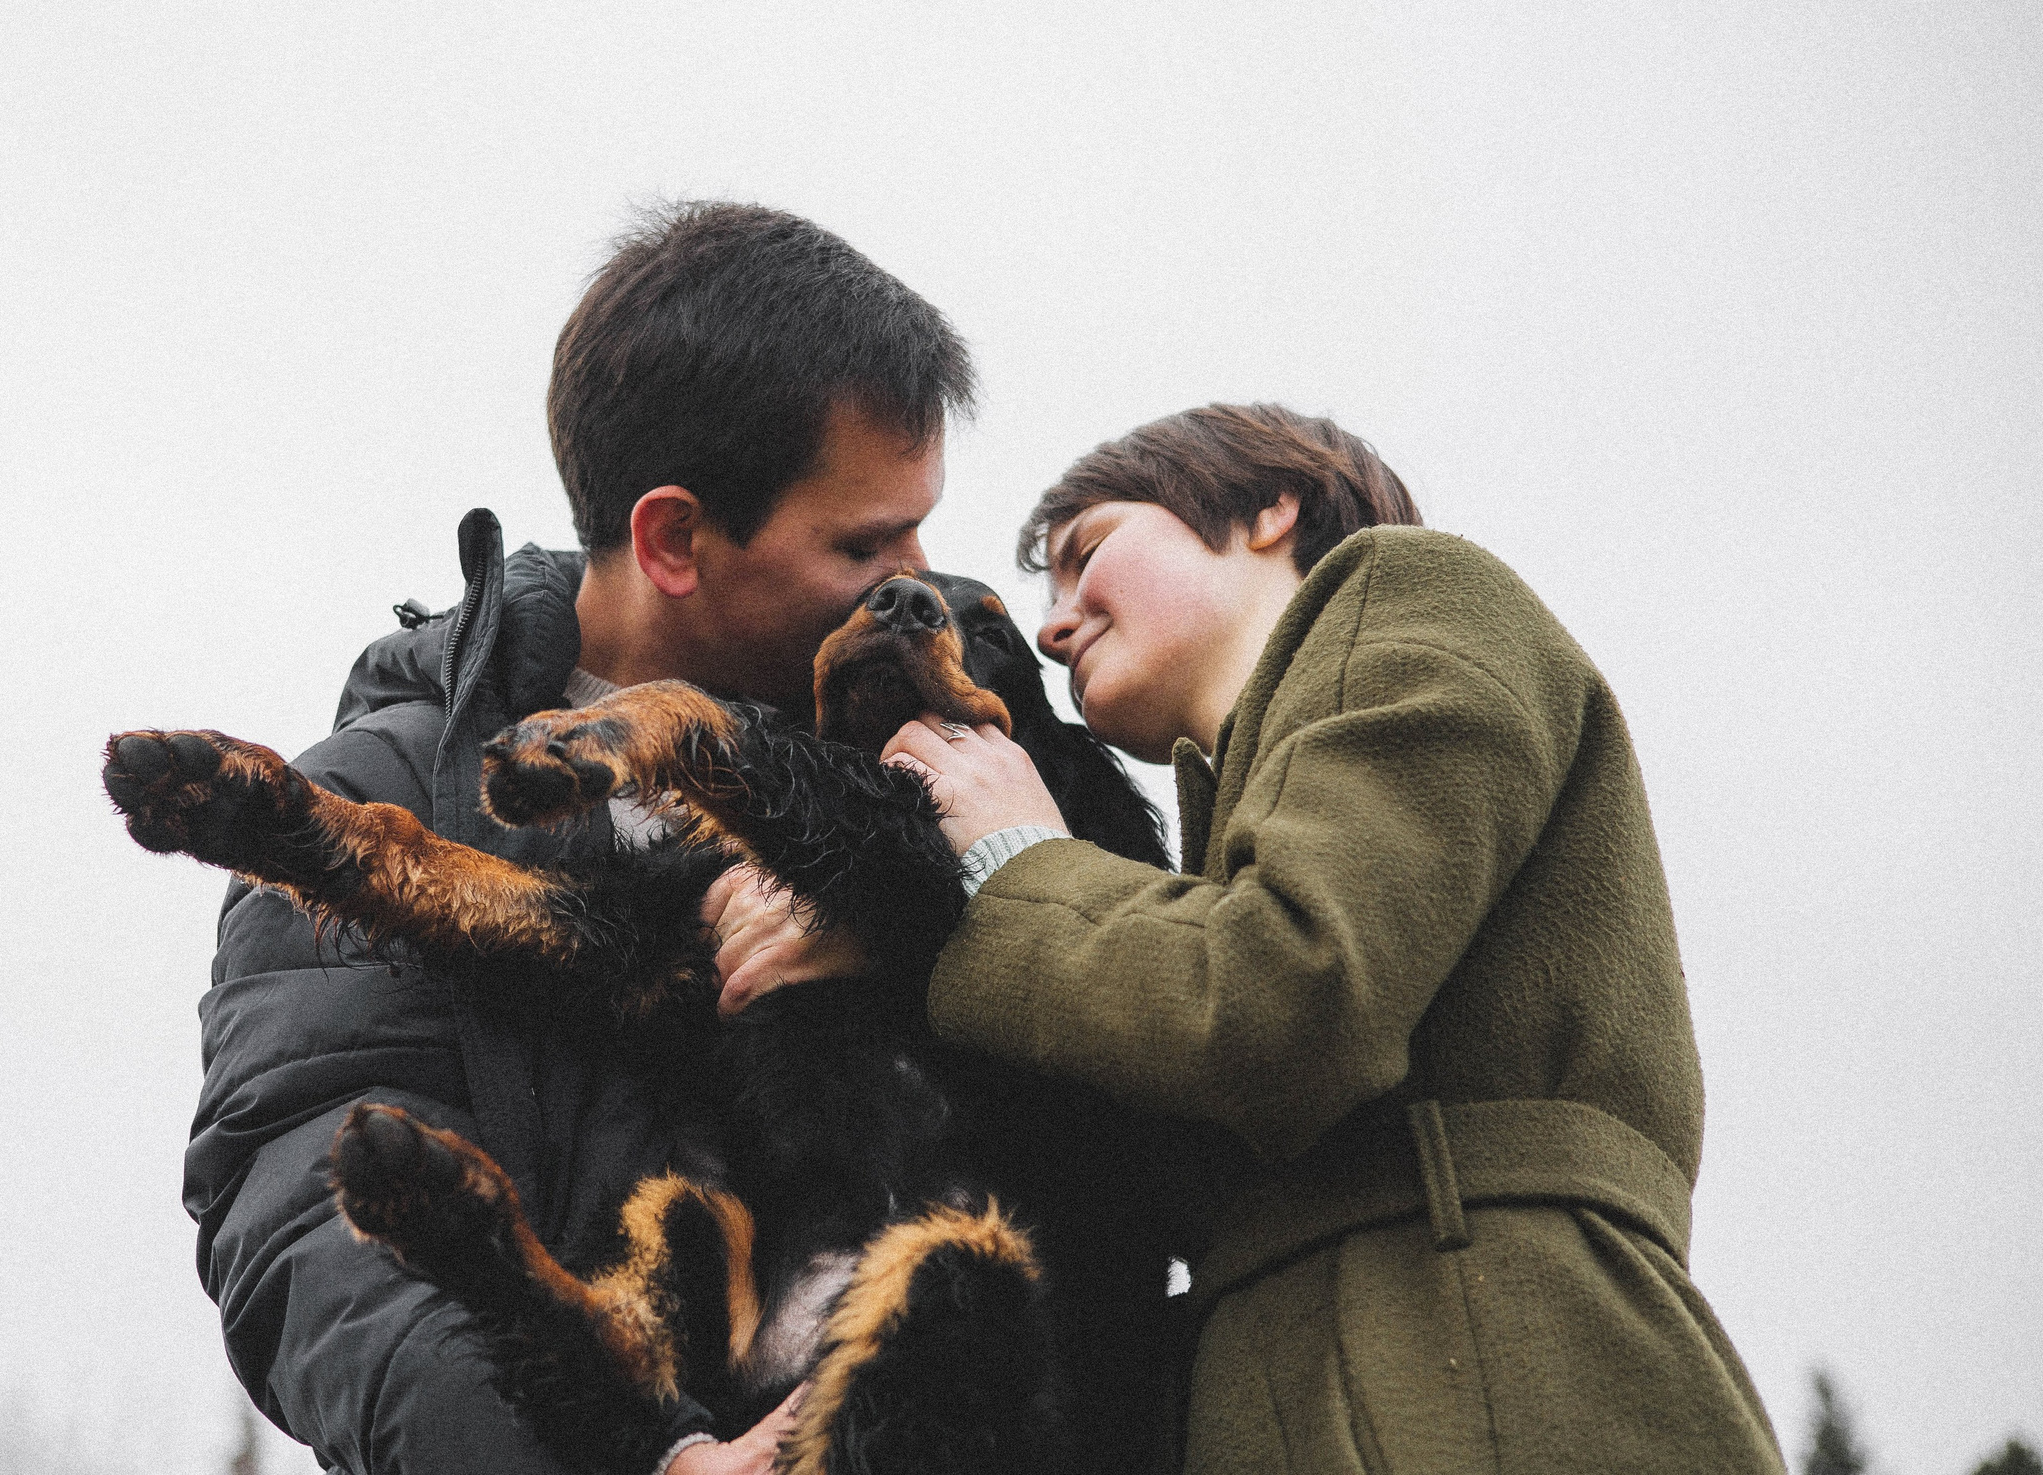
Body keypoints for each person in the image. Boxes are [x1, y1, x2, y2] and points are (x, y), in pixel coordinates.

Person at [720, 403, 1787, 1472]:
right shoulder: (1226, 838)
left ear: (1271, 508)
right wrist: (883, 938)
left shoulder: (1410, 590)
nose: (1051, 624)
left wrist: (1014, 859)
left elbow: (1284, 999)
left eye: (1086, 553)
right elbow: (1145, 1143)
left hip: (1488, 1372)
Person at [181, 202, 973, 1475]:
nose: (919, 577)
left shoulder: (905, 754)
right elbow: (303, 1230)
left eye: (921, 525)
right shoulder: (380, 798)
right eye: (864, 541)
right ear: (672, 537)